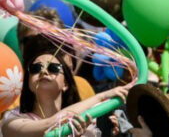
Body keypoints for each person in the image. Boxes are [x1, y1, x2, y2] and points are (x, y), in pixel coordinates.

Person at [1, 39, 130, 137]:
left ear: (66, 84)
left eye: (53, 68)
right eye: (36, 68)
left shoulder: (86, 125)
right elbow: (51, 123)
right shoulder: (12, 120)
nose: (44, 72)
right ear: (28, 82)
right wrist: (102, 96)